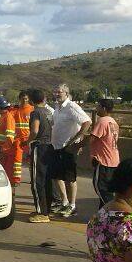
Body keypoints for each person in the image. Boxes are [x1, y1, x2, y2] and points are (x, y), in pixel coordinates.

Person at [51, 84, 92, 217]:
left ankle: (72, 205)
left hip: (68, 148)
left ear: (67, 94)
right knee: (57, 176)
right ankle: (64, 202)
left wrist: (75, 141)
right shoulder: (57, 107)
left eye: (60, 92)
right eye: (56, 92)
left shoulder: (72, 107)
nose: (57, 94)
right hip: (56, 146)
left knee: (70, 178)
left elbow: (86, 122)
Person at [87, 99, 120, 207]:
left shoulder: (102, 121)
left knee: (101, 189)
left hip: (103, 161)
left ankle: (114, 211)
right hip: (114, 161)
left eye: (98, 106)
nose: (96, 108)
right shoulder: (113, 122)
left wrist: (76, 145)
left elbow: (92, 139)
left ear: (104, 108)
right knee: (108, 190)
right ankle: (103, 217)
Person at [27, 89, 54, 222]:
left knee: (37, 180)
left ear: (31, 101)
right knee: (47, 180)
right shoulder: (49, 112)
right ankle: (45, 210)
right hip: (50, 146)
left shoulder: (35, 113)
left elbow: (35, 130)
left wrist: (27, 141)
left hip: (39, 146)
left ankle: (42, 213)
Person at [0, 96, 17, 189]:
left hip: (5, 153)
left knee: (6, 176)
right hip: (0, 152)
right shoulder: (3, 117)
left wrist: (2, 149)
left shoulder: (8, 117)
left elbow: (10, 137)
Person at [11, 90, 34, 187]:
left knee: (32, 161)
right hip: (19, 139)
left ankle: (34, 179)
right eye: (23, 98)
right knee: (17, 160)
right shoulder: (16, 110)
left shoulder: (33, 109)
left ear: (29, 99)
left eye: (26, 99)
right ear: (19, 99)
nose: (24, 100)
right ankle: (16, 180)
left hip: (30, 139)